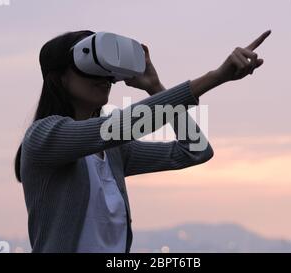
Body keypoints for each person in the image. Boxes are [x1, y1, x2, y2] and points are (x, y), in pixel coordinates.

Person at [14, 29, 271, 253]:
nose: (105, 79)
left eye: (108, 72)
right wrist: (216, 77)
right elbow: (121, 127)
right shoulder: (44, 137)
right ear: (60, 78)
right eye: (92, 69)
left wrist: (156, 86)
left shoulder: (113, 152)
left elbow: (194, 150)